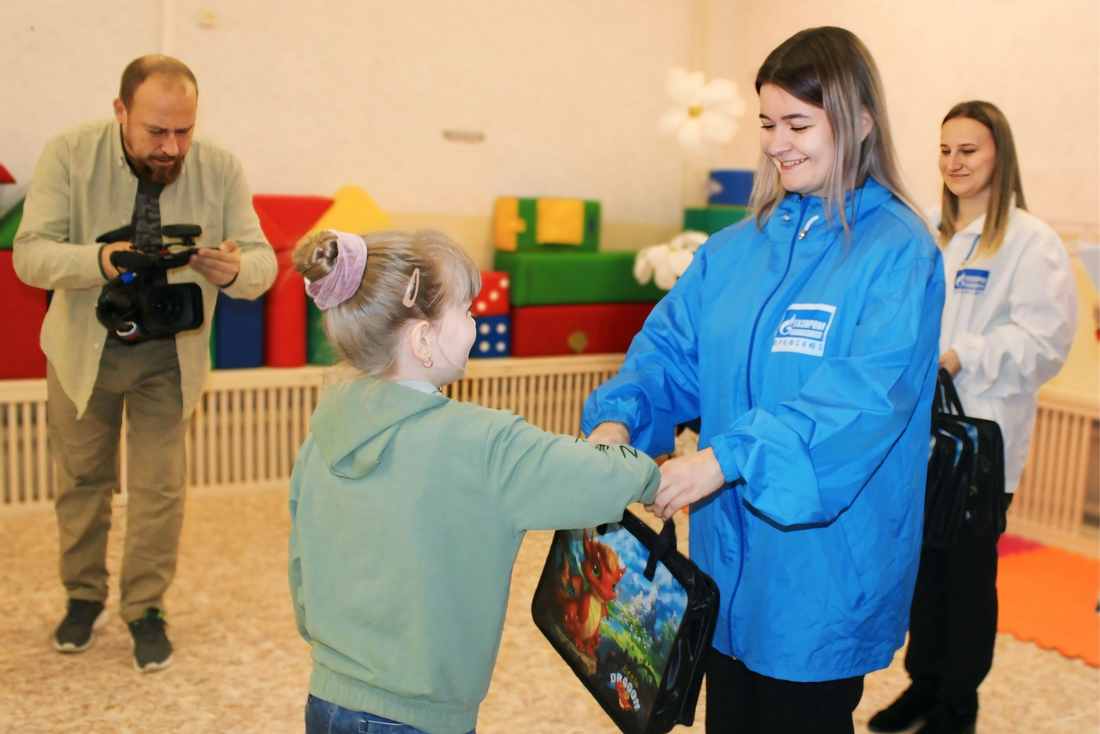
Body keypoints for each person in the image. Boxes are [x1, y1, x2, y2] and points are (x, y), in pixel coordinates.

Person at [583, 26, 945, 734]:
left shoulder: (897, 252)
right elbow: (670, 352)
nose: (778, 143)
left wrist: (724, 459)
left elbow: (861, 400)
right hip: (725, 560)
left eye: (799, 124)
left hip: (821, 570)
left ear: (860, 120)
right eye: (768, 124)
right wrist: (618, 419)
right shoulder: (736, 250)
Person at [287, 228, 660, 734]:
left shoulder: (321, 434)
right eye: (465, 311)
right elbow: (601, 476)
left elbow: (301, 572)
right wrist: (651, 470)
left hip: (328, 701)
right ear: (422, 339)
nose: (474, 323)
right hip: (418, 719)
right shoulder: (482, 443)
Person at [13, 55, 276, 671]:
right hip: (84, 350)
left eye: (183, 131)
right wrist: (101, 262)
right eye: (156, 132)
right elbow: (30, 255)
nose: (171, 146)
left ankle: (145, 607)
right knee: (82, 482)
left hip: (171, 356)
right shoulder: (68, 152)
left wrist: (235, 269)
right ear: (121, 112)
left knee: (160, 490)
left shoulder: (220, 167)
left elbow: (262, 264)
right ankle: (83, 598)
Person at [869, 101, 1077, 734]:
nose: (955, 162)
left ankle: (959, 704)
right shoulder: (927, 230)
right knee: (922, 571)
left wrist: (965, 356)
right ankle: (922, 686)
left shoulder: (1029, 240)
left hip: (981, 442)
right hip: (916, 437)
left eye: (970, 150)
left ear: (999, 155)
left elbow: (1047, 342)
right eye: (945, 150)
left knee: (965, 579)